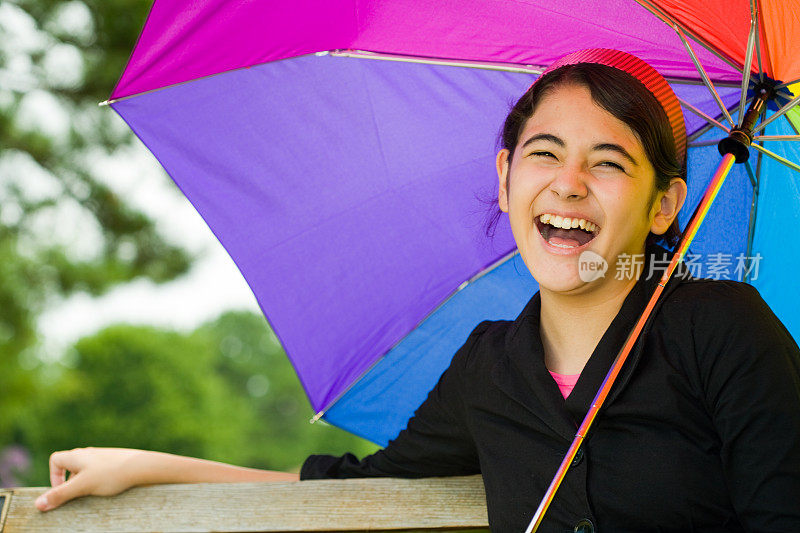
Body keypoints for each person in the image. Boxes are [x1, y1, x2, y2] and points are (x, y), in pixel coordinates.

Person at [36, 49, 800, 532]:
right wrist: (146, 465)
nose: (569, 184)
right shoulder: (488, 365)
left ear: (663, 204)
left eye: (609, 163)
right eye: (544, 154)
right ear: (505, 179)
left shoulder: (722, 328)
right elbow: (354, 486)